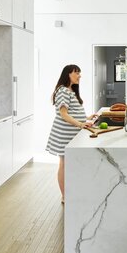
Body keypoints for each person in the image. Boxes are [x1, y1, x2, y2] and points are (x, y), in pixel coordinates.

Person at [46, 64, 96, 204]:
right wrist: (81, 124)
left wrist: (86, 118)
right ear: (68, 74)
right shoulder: (63, 91)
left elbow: (72, 113)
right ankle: (65, 196)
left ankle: (70, 192)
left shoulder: (70, 91)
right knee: (64, 164)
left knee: (69, 163)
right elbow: (63, 114)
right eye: (76, 73)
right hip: (64, 134)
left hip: (71, 134)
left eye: (80, 73)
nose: (79, 76)